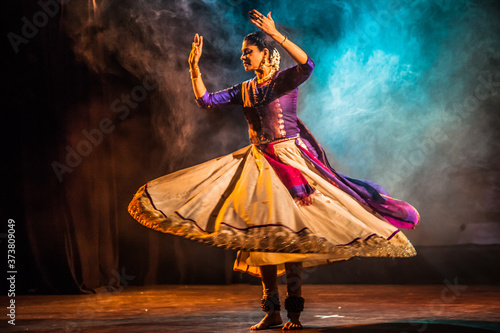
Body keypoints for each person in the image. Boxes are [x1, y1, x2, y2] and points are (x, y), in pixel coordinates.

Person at [128, 9, 420, 330]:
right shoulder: (245, 89)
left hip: (289, 160)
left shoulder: (283, 81)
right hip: (258, 164)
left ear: (265, 54)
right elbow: (206, 100)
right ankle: (272, 311)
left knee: (289, 238)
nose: (243, 57)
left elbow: (307, 65)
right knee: (262, 239)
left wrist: (278, 34)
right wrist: (194, 68)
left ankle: (293, 315)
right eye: (242, 53)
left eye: (248, 52)